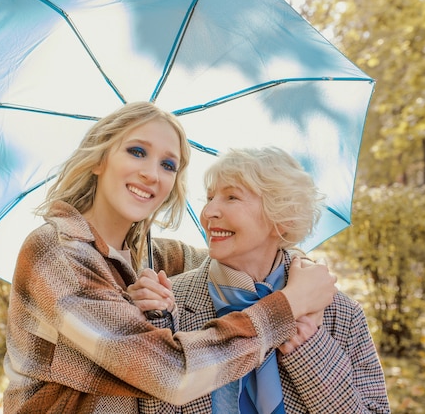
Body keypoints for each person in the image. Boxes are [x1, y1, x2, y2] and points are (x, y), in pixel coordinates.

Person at [2, 102, 338, 413]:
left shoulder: (154, 257)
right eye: (137, 152)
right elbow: (172, 374)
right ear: (98, 160)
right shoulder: (58, 252)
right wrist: (289, 304)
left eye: (168, 165)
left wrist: (303, 271)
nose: (152, 174)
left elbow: (249, 253)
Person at [131, 147, 390, 413]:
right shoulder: (168, 305)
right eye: (209, 198)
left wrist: (310, 348)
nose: (208, 212)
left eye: (231, 197)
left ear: (282, 218)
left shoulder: (342, 313)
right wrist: (156, 326)